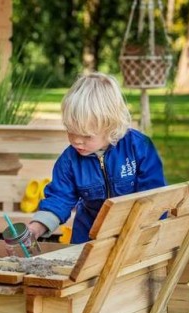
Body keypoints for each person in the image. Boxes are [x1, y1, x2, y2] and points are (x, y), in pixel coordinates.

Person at [27, 72, 167, 244]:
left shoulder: (138, 147)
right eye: (71, 131)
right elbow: (60, 198)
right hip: (88, 232)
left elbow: (154, 194)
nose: (77, 141)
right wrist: (36, 226)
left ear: (110, 127)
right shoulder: (69, 161)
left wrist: (146, 232)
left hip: (134, 230)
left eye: (86, 136)